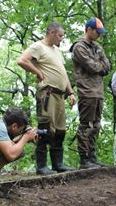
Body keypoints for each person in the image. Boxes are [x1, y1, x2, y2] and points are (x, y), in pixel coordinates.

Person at [17, 21, 76, 175]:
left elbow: (63, 73)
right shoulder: (38, 47)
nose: (61, 38)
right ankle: (42, 166)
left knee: (60, 131)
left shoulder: (57, 51)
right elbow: (22, 60)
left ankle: (58, 164)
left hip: (60, 95)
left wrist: (70, 92)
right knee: (45, 128)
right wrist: (37, 72)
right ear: (51, 32)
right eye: (60, 35)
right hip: (47, 94)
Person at [69, 17, 111, 169]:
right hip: (87, 91)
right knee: (86, 125)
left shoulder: (97, 46)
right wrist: (99, 65)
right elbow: (92, 67)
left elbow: (107, 66)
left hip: (98, 91)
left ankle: (92, 156)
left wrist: (100, 64)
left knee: (96, 125)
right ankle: (84, 159)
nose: (99, 35)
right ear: (88, 30)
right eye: (97, 32)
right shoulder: (79, 47)